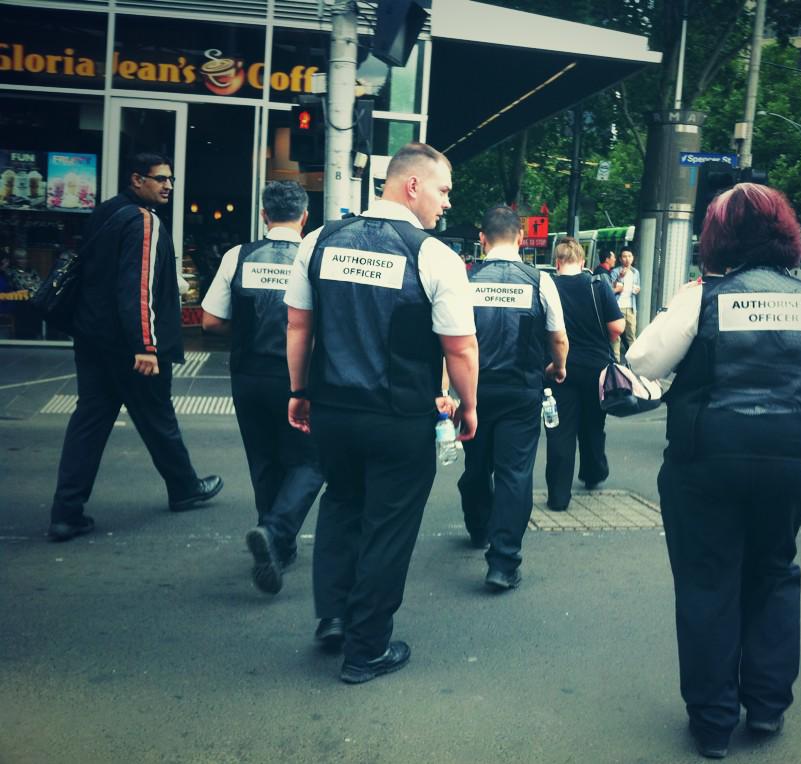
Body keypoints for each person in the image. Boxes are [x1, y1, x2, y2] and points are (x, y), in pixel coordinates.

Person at [628, 183, 801, 759]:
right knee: (774, 572)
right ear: (785, 236)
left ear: (717, 238)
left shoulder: (704, 297)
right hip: (791, 460)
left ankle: (713, 721)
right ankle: (768, 705)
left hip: (707, 460)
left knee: (707, 582)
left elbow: (642, 360)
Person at [285, 142, 478, 683]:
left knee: (342, 506)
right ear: (411, 185)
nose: (446, 204)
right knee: (388, 526)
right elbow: (460, 347)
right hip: (399, 416)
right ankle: (367, 648)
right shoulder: (434, 255)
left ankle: (335, 615)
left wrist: (299, 391)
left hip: (333, 411)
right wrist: (469, 405)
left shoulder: (319, 241)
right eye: (442, 190)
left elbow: (298, 327)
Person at [48, 152, 223, 542]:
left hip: (93, 338)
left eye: (171, 180)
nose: (168, 186)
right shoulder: (143, 221)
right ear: (136, 179)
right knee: (158, 417)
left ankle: (66, 512)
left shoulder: (107, 212)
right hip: (130, 346)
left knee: (90, 422)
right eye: (160, 179)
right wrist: (146, 345)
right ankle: (184, 488)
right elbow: (137, 286)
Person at [201, 181, 324, 594]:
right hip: (299, 376)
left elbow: (210, 322)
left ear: (264, 215)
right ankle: (276, 532)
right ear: (305, 218)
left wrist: (248, 332)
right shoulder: (313, 256)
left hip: (249, 375)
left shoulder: (238, 256)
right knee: (311, 459)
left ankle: (276, 545)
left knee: (264, 459)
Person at [458, 204, 568, 591]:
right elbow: (557, 336)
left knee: (476, 465)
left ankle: (477, 525)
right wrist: (558, 367)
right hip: (522, 390)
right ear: (521, 239)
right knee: (514, 473)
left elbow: (450, 340)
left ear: (482, 240)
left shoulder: (465, 280)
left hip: (474, 389)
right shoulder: (540, 281)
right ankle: (503, 563)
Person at [544, 237, 624, 511]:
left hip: (557, 368)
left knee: (559, 430)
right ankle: (593, 472)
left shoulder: (548, 286)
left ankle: (558, 496)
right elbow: (617, 328)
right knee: (593, 424)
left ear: (557, 262)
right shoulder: (597, 285)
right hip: (595, 369)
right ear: (582, 261)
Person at [609, 248, 641, 361]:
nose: (627, 259)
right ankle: (616, 363)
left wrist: (637, 290)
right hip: (617, 307)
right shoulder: (615, 272)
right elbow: (611, 289)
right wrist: (620, 277)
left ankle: (633, 364)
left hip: (631, 308)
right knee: (616, 338)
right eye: (624, 256)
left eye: (629, 256)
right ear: (620, 259)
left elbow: (636, 288)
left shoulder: (635, 272)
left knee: (631, 336)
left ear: (633, 258)